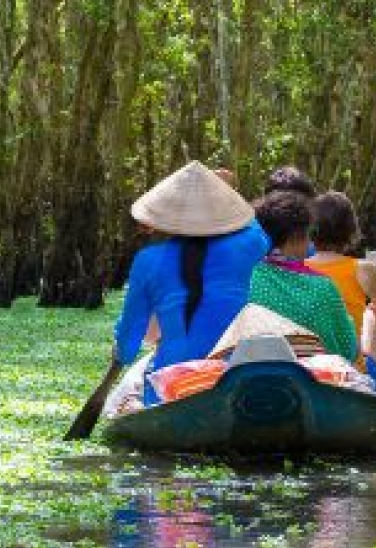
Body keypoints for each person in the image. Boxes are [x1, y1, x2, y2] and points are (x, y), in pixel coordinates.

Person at [110, 162, 262, 404]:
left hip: (172, 383)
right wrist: (225, 194)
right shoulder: (249, 246)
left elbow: (129, 342)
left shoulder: (148, 260)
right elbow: (253, 225)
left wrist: (120, 352)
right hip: (236, 374)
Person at [242, 190, 361, 362]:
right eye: (308, 235)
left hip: (257, 373)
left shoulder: (246, 277)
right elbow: (347, 351)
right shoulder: (322, 287)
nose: (310, 242)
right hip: (312, 383)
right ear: (295, 238)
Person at [306, 191, 376, 363]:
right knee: (373, 314)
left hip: (313, 365)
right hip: (352, 368)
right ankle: (371, 378)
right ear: (351, 230)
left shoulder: (298, 267)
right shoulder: (364, 269)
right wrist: (369, 311)